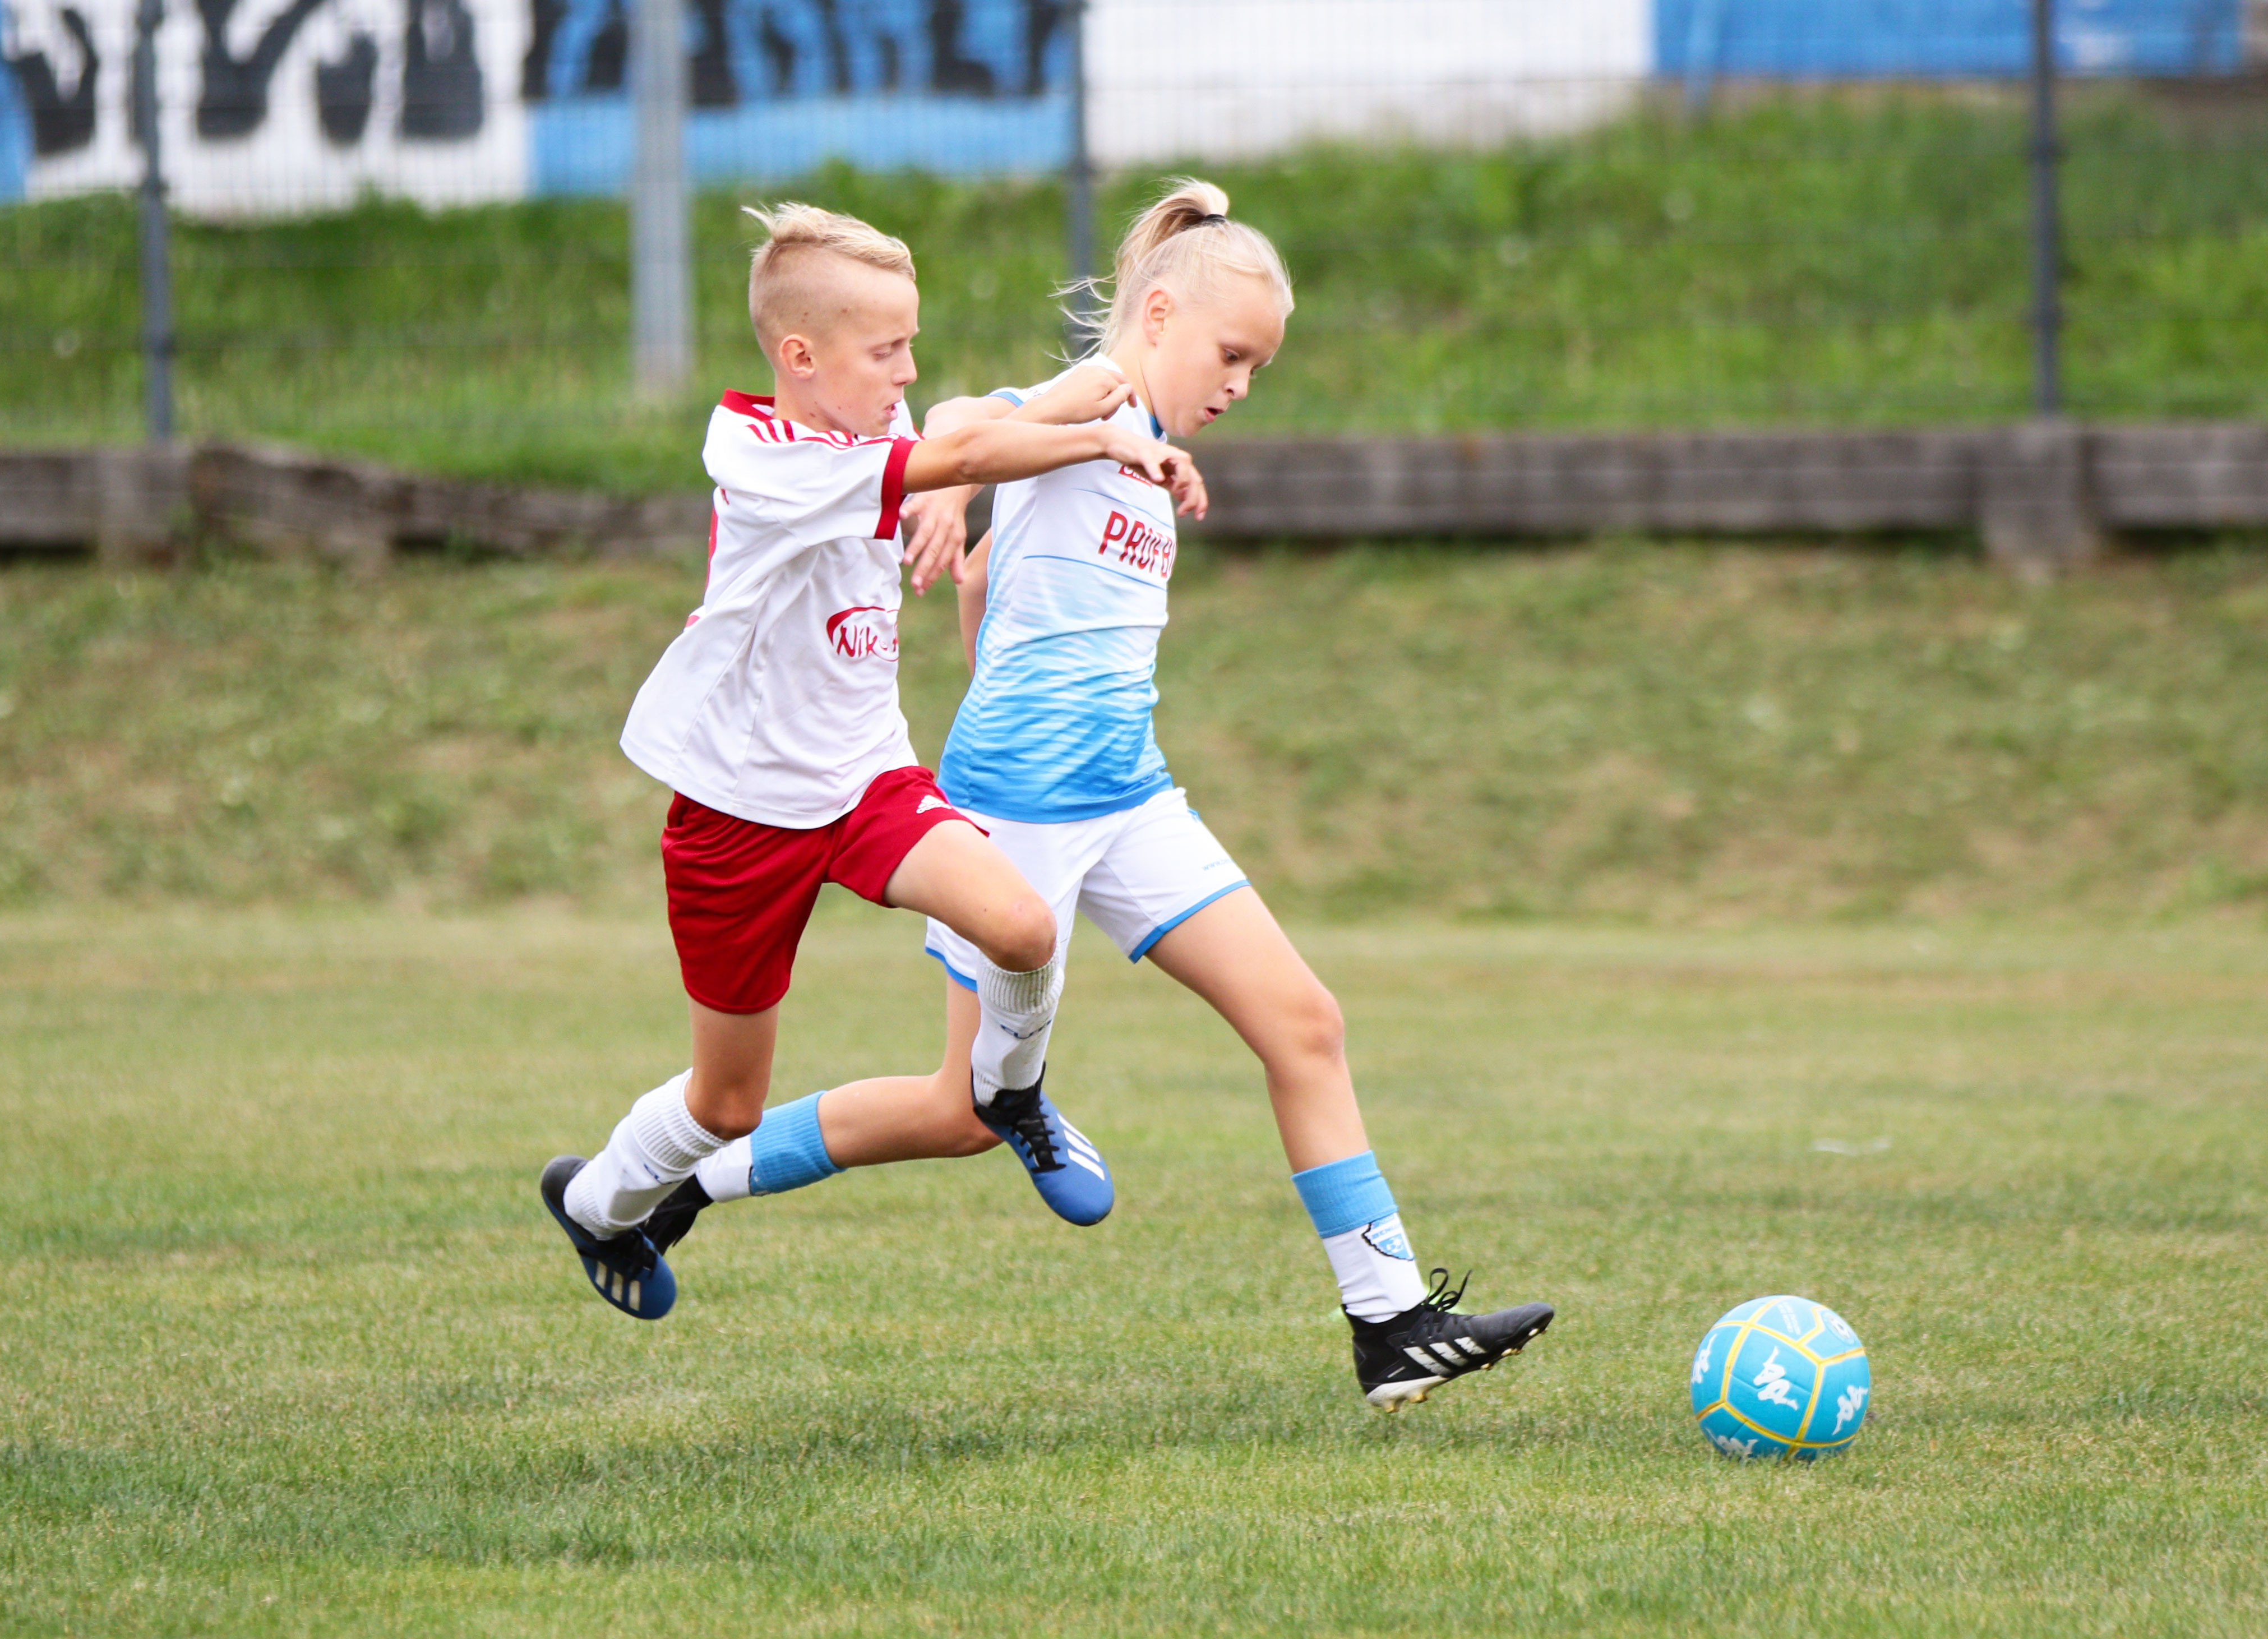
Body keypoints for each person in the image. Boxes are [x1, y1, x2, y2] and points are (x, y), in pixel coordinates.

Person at [651, 182, 1554, 1413]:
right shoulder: (1090, 405)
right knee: (959, 1110)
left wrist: (977, 586)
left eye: (1258, 368)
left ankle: (1388, 1323)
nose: (1239, 383)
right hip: (1018, 808)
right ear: (1162, 311)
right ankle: (694, 1181)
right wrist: (952, 485)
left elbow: (995, 587)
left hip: (1129, 797)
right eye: (1231, 354)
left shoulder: (1150, 452)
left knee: (1304, 1020)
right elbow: (973, 418)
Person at [539, 202, 1204, 1320]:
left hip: (865, 785)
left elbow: (956, 439)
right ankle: (599, 1202)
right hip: (739, 816)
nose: (905, 370)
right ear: (799, 357)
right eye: (881, 349)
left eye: (910, 344)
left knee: (1023, 926)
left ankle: (1012, 1094)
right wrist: (1097, 433)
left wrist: (1081, 404)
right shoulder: (760, 454)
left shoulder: (865, 438)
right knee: (726, 1102)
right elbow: (961, 446)